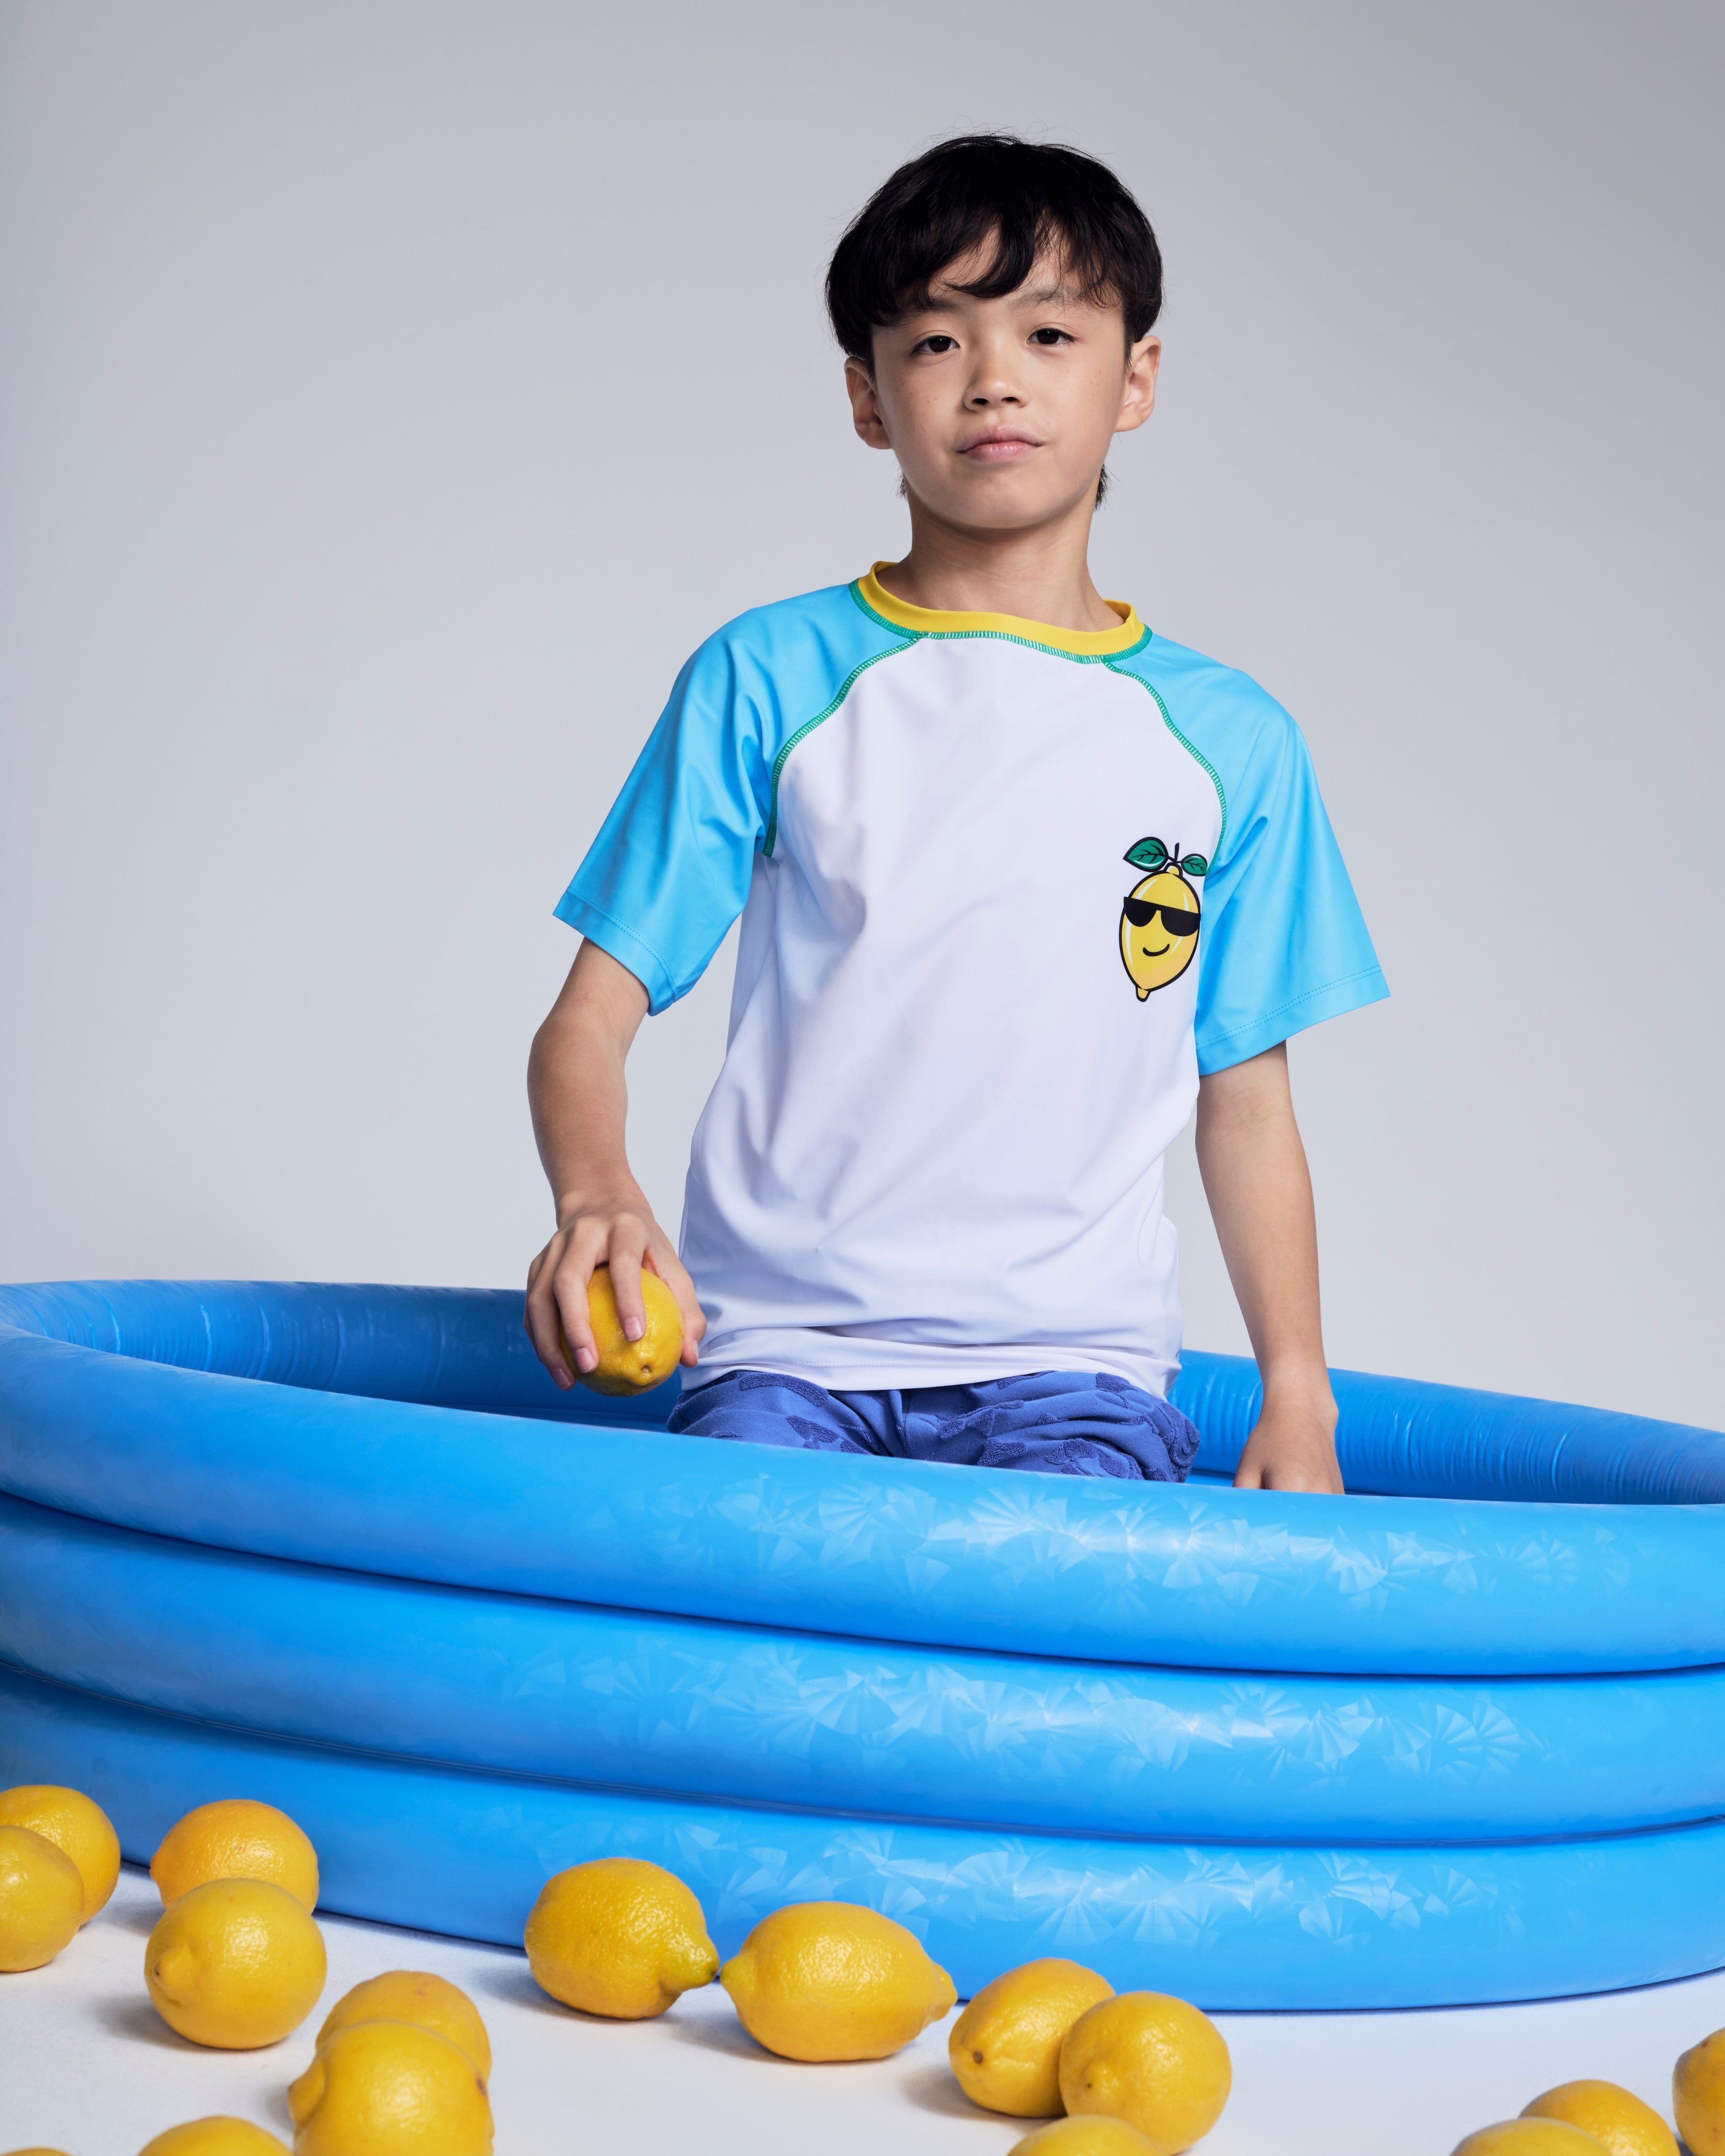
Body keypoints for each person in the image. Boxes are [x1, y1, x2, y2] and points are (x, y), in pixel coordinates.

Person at [524, 135, 1386, 1492]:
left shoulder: (1233, 744)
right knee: (747, 1662)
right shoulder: (771, 678)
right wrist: (597, 1197)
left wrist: (1299, 1387)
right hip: (782, 1357)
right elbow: (589, 1016)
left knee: (1054, 1676)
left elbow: (1248, 1100)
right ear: (867, 399)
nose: (993, 379)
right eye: (935, 343)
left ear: (1136, 379)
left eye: (1048, 332)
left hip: (1077, 1365)